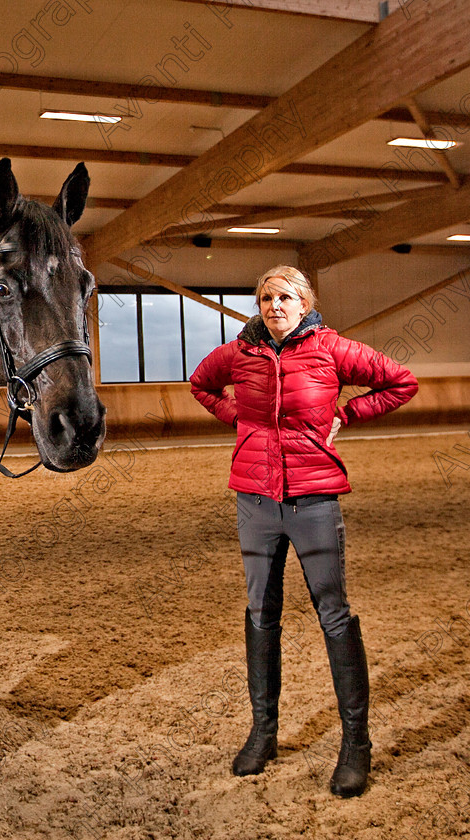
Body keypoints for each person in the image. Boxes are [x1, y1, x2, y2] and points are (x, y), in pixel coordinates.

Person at [189, 265, 418, 798]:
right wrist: (238, 421)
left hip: (314, 500)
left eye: (285, 296)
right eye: (266, 297)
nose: (274, 305)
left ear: (304, 301)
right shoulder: (238, 354)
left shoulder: (332, 348)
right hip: (255, 502)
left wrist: (351, 413)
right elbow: (201, 384)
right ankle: (263, 733)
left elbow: (400, 381)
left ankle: (355, 744)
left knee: (333, 614)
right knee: (260, 615)